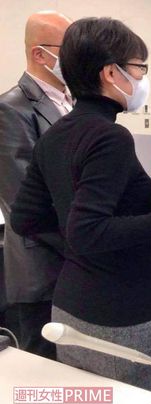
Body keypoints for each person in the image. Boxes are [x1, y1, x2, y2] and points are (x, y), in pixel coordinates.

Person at [10, 17, 151, 392]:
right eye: (139, 68)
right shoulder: (110, 136)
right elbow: (87, 230)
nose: (142, 79)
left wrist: (77, 249)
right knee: (132, 397)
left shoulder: (57, 132)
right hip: (117, 306)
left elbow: (25, 219)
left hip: (71, 300)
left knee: (87, 397)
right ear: (110, 73)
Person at [0, 11, 72, 360]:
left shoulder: (72, 101)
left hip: (75, 261)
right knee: (46, 366)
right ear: (40, 54)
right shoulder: (11, 109)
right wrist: (83, 242)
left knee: (79, 363)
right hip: (42, 263)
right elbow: (24, 201)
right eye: (68, 49)